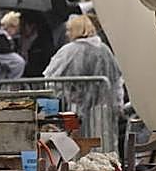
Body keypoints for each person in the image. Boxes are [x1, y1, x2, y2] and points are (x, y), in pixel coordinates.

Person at [44, 14, 125, 153]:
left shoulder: (69, 51)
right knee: (102, 147)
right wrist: (118, 105)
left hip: (75, 111)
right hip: (103, 110)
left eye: (70, 30)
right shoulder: (104, 50)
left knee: (76, 150)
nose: (67, 33)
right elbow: (116, 81)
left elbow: (51, 80)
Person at [18, 10, 55, 77]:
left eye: (23, 25)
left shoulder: (43, 42)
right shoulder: (19, 41)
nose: (21, 29)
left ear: (33, 25)